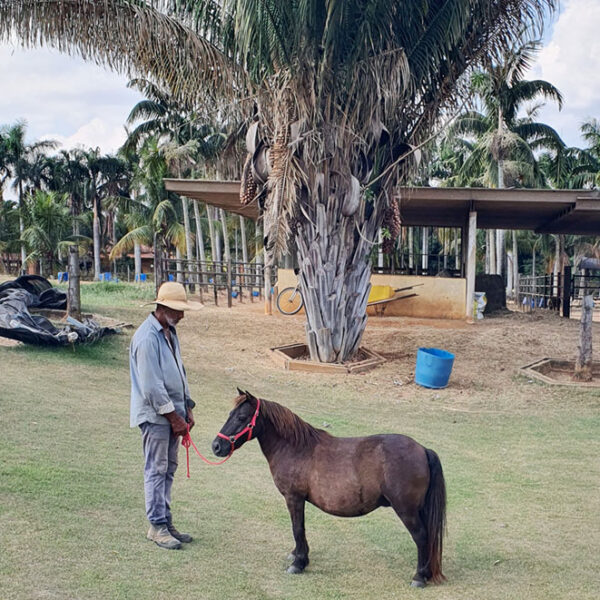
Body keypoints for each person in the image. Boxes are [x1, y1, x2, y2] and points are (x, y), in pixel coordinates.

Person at [129, 281, 203, 549]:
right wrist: (175, 419)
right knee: (156, 469)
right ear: (162, 307)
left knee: (168, 469)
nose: (182, 315)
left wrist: (188, 407)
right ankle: (157, 526)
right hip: (156, 416)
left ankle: (165, 520)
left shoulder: (169, 332)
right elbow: (152, 387)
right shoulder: (147, 338)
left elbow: (179, 374)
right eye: (178, 310)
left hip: (174, 414)